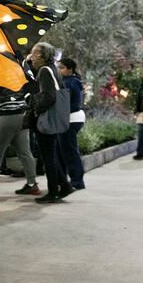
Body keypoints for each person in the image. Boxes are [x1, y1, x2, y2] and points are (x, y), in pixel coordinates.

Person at [27, 42, 73, 203]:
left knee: (48, 157)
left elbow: (49, 96)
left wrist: (36, 109)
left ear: (42, 55)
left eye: (34, 53)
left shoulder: (45, 71)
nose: (31, 56)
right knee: (51, 155)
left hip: (46, 119)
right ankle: (65, 186)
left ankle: (53, 192)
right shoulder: (52, 69)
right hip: (53, 119)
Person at [56, 58, 86, 190]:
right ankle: (69, 180)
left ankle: (77, 181)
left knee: (69, 151)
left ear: (70, 69)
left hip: (70, 119)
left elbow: (66, 103)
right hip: (72, 118)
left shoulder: (69, 82)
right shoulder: (73, 81)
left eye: (61, 67)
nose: (59, 69)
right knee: (65, 150)